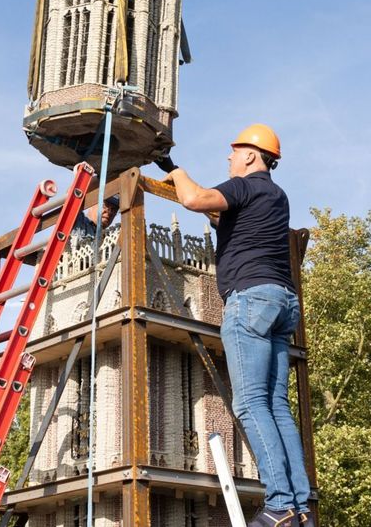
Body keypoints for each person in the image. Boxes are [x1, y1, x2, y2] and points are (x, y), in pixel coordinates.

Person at [153, 124, 313, 527]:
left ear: (250, 155)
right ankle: (300, 508)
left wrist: (181, 174)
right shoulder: (275, 197)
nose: (228, 157)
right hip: (282, 303)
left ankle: (278, 504)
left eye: (233, 151)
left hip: (251, 301)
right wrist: (169, 166)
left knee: (250, 403)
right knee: (277, 406)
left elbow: (193, 199)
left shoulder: (246, 186)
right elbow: (217, 212)